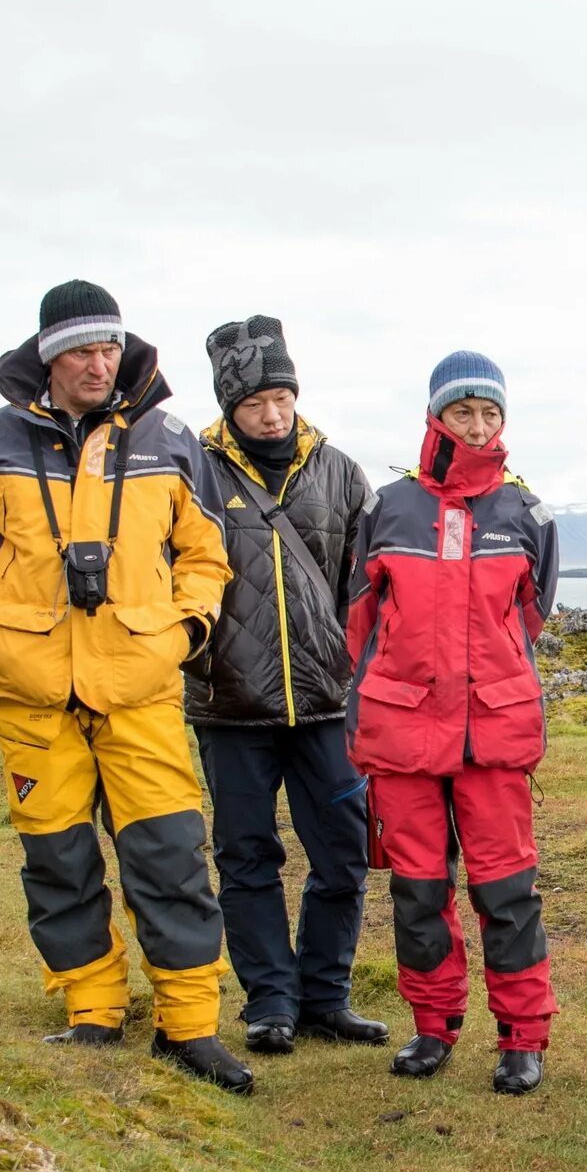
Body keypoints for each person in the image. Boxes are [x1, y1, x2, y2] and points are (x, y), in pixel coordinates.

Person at [0, 282, 247, 1089]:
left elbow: (207, 556)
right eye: (80, 349)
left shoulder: (169, 439)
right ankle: (93, 1009)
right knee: (58, 860)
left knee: (170, 856)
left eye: (109, 347)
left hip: (140, 686)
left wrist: (178, 635)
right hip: (30, 693)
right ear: (48, 356)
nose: (98, 363)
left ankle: (189, 1024)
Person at [345, 353, 560, 1093]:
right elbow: (360, 623)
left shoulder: (525, 513)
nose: (477, 426)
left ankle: (523, 1036)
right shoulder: (388, 508)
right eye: (463, 411)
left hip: (492, 737)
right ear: (436, 416)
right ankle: (433, 1026)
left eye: (490, 413)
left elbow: (529, 620)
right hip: (403, 734)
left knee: (508, 891)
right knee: (418, 890)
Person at [184, 315, 385, 1055]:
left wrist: (359, 670)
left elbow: (364, 585)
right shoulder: (193, 469)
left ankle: (325, 995)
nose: (272, 413)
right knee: (245, 855)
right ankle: (270, 1000)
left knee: (342, 852)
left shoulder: (338, 471)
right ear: (228, 406)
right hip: (228, 705)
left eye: (281, 396)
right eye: (254, 402)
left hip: (327, 704)